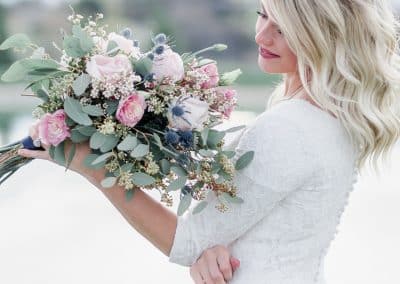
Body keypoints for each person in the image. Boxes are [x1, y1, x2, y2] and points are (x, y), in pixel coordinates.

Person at [18, 0, 400, 283]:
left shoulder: (290, 127)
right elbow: (255, 227)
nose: (262, 35)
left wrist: (86, 164)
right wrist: (215, 252)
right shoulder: (334, 118)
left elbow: (186, 242)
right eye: (263, 14)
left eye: (284, 28)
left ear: (322, 36)